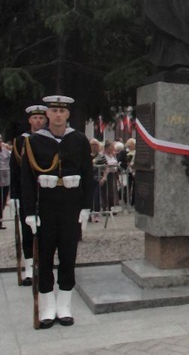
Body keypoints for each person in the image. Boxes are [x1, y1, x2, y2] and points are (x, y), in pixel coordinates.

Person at [21, 95, 93, 328]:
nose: (58, 115)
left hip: (71, 203)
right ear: (48, 114)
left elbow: (87, 174)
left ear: (68, 114)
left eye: (63, 111)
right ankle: (47, 306)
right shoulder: (34, 142)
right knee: (45, 255)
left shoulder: (79, 139)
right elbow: (27, 180)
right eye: (54, 110)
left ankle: (64, 305)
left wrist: (86, 206)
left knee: (68, 255)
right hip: (47, 204)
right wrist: (29, 211)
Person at [9, 105, 48, 285]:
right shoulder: (20, 142)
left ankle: (44, 265)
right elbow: (15, 170)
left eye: (41, 118)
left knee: (47, 231)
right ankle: (30, 268)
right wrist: (15, 195)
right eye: (35, 118)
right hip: (27, 192)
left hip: (47, 192)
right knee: (28, 231)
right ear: (30, 120)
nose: (38, 121)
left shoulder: (51, 139)